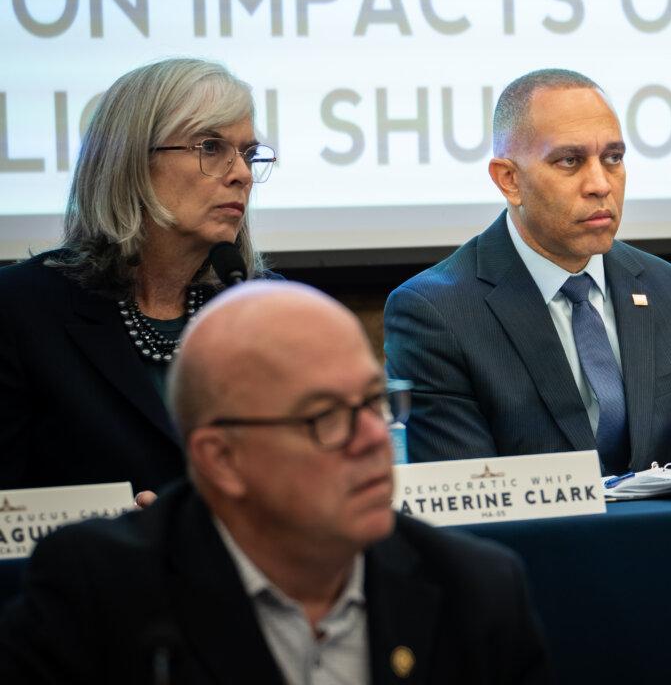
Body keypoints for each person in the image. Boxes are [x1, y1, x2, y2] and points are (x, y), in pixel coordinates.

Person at [0, 281, 551, 684]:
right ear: (222, 459)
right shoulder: (99, 599)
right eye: (324, 417)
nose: (373, 441)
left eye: (375, 403)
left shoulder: (476, 590)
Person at [384, 68, 671, 474]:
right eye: (570, 161)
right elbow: (471, 502)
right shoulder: (436, 314)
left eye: (613, 158)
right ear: (509, 180)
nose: (601, 184)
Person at [0, 58, 277, 495]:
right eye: (210, 147)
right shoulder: (19, 311)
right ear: (131, 161)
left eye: (248, 153)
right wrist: (113, 538)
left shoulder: (271, 310)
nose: (242, 174)